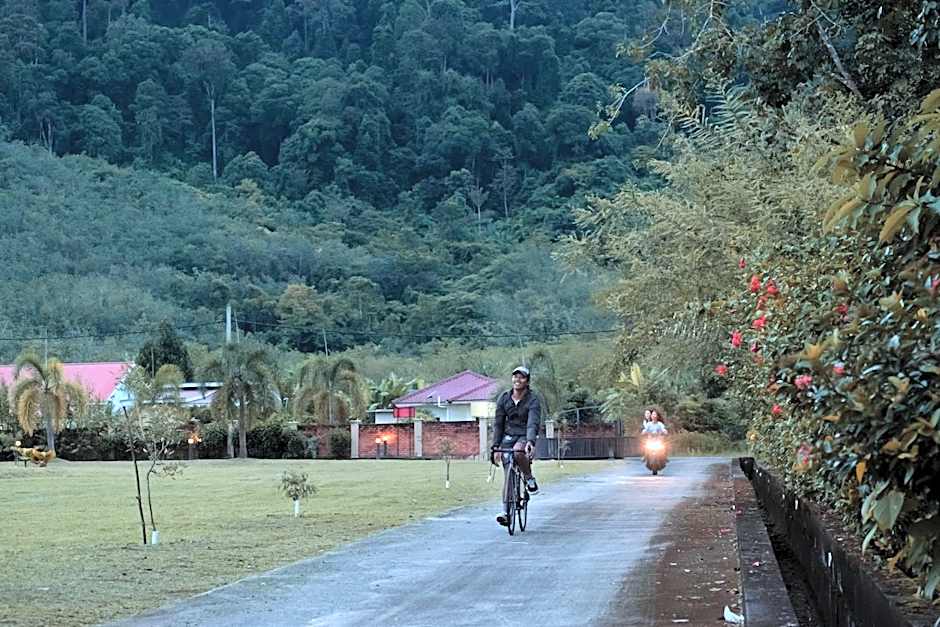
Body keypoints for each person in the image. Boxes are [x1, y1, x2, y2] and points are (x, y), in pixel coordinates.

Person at [491, 365, 541, 527]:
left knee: (519, 452)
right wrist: (495, 447)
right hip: (508, 436)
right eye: (515, 376)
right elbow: (498, 423)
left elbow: (533, 423)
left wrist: (530, 442)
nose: (517, 380)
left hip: (524, 435)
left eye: (522, 377)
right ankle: (506, 512)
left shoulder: (532, 400)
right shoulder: (504, 398)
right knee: (508, 473)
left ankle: (529, 478)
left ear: (527, 381)